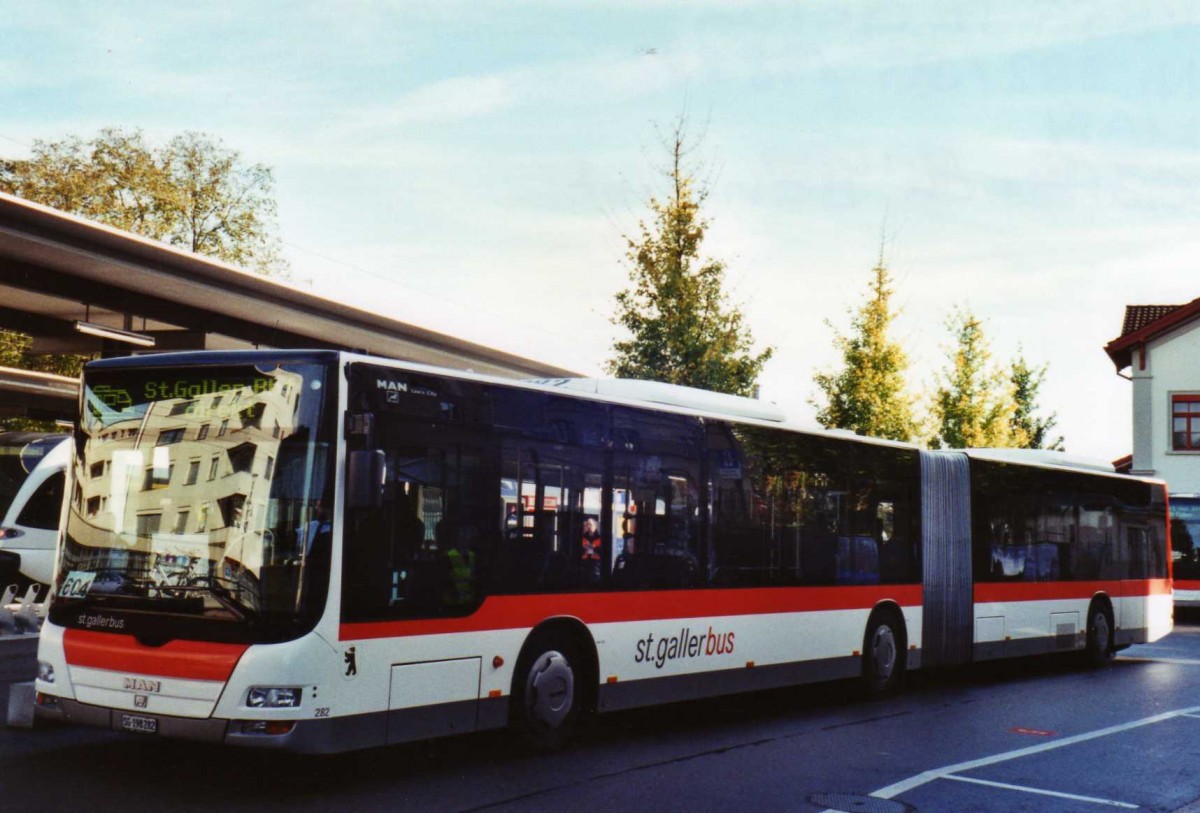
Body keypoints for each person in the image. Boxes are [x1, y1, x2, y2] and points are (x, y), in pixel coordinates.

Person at [580, 517, 602, 583]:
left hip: (595, 565)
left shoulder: (600, 537)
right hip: (585, 565)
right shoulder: (583, 537)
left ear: (595, 526)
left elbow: (603, 551)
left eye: (590, 524)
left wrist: (593, 547)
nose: (588, 526)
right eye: (587, 525)